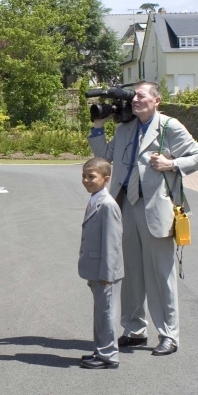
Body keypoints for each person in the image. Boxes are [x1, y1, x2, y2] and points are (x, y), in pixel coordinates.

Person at [88, 81, 198, 355]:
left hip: (156, 208)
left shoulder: (169, 126)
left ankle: (169, 335)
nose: (135, 100)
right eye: (133, 97)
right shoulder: (125, 128)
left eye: (140, 96)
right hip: (127, 206)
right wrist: (97, 127)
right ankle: (134, 330)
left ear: (157, 100)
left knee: (160, 276)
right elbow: (103, 158)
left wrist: (172, 164)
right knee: (130, 273)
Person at [79, 157, 123, 370]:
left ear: (106, 179)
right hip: (96, 269)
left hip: (106, 272)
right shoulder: (95, 199)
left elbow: (112, 243)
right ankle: (101, 350)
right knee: (100, 313)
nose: (86, 180)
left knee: (106, 313)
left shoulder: (107, 204)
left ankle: (109, 356)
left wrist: (108, 274)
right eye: (84, 176)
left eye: (91, 176)